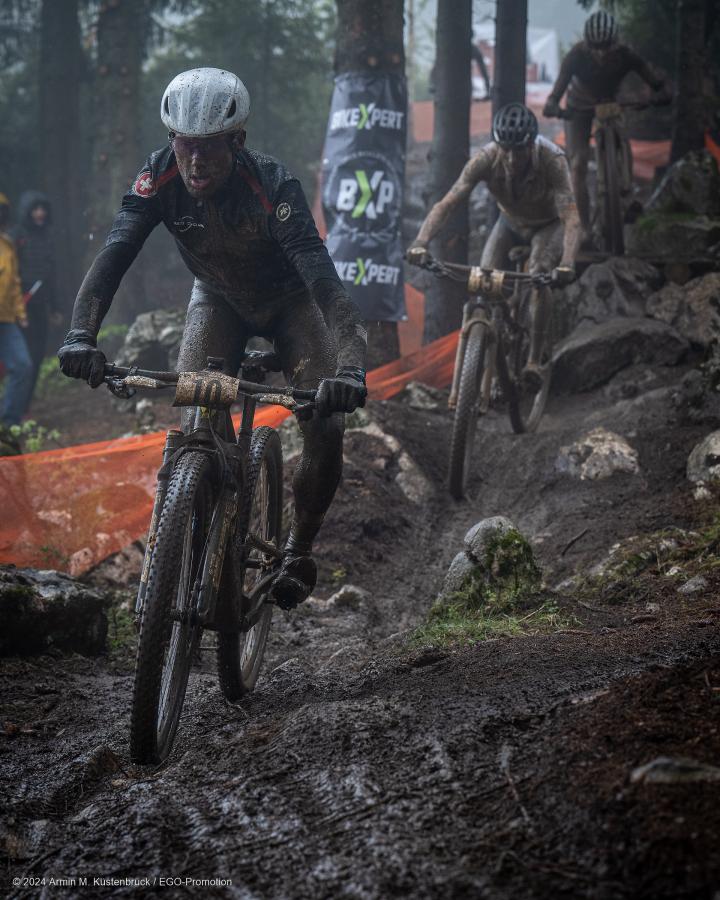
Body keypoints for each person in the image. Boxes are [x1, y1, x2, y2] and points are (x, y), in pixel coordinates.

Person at [57, 68, 368, 608]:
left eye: (209, 149)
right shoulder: (158, 178)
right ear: (171, 141)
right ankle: (214, 501)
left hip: (290, 304)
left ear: (237, 141)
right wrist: (80, 335)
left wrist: (349, 368)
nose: (195, 162)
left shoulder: (274, 186)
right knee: (196, 411)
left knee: (325, 426)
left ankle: (296, 547)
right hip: (217, 299)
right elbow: (114, 255)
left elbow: (323, 285)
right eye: (184, 146)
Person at [407, 103, 579, 389]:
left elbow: (571, 217)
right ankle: (489, 352)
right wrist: (420, 242)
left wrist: (567, 263)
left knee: (538, 274)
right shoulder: (484, 159)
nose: (512, 158)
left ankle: (534, 360)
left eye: (520, 150)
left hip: (548, 225)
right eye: (506, 149)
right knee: (484, 279)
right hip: (509, 223)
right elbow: (448, 203)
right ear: (497, 144)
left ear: (532, 145)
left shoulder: (553, 159)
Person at [543, 10, 670, 236]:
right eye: (595, 47)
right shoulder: (575, 55)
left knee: (623, 138)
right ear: (586, 44)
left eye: (606, 47)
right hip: (579, 107)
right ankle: (582, 227)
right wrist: (554, 106)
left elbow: (652, 79)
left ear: (615, 43)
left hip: (611, 103)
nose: (601, 53)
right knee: (578, 164)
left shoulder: (626, 55)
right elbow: (557, 91)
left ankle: (627, 195)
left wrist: (659, 93)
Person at [12, 191, 60, 402]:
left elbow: (51, 276)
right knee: (20, 358)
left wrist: (56, 307)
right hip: (18, 306)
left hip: (39, 305)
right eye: (35, 209)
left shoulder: (49, 237)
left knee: (37, 355)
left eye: (42, 209)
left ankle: (24, 404)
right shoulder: (16, 236)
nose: (39, 213)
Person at [0, 193, 33, 430]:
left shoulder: (7, 246)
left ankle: (7, 422)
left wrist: (20, 313)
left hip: (6, 319)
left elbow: (14, 283)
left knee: (22, 366)